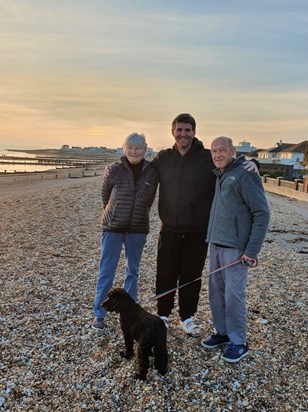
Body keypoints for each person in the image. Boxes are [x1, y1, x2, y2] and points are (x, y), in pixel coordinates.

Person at [201, 136, 270, 362]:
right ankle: (222, 333)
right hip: (217, 244)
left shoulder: (245, 174)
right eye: (214, 151)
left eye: (222, 150)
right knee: (216, 293)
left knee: (233, 296)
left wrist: (251, 251)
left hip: (237, 249)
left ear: (232, 151)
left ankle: (239, 341)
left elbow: (262, 213)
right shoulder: (220, 174)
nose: (218, 155)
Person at [92, 133, 158, 330]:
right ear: (124, 148)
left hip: (138, 228)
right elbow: (105, 196)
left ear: (145, 149)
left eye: (138, 147)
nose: (134, 151)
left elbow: (150, 199)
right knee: (107, 271)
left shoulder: (151, 172)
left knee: (133, 271)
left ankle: (130, 314)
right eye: (130, 147)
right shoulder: (113, 169)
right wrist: (113, 215)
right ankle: (99, 314)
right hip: (112, 228)